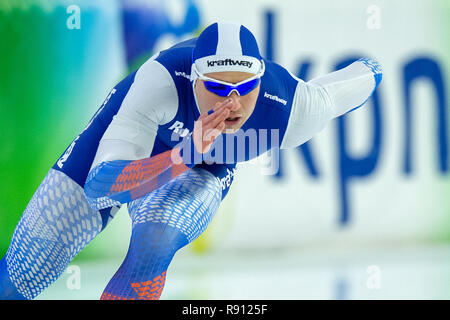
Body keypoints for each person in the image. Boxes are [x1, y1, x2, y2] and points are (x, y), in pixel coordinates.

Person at [0, 21, 382, 300]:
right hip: (133, 148)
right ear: (194, 79)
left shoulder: (292, 108)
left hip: (203, 167)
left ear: (261, 80)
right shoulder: (159, 83)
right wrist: (183, 155)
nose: (231, 102)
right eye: (216, 87)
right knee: (21, 275)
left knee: (154, 242)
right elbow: (99, 189)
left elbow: (357, 81)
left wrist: (374, 66)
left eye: (245, 87)